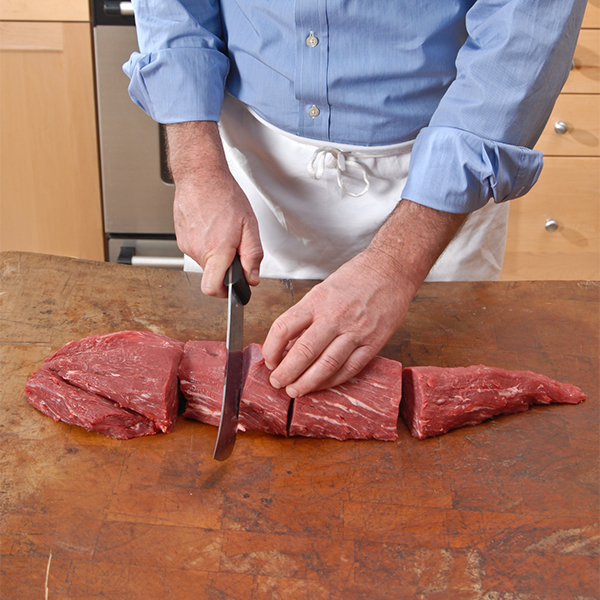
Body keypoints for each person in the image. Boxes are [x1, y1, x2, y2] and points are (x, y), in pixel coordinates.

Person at [124, 0, 586, 398]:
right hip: (246, 173)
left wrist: (397, 265)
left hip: (437, 185)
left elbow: (522, 33)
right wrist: (197, 168)